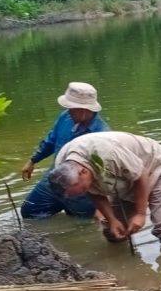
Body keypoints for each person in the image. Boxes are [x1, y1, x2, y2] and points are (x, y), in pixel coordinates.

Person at [48, 132, 161, 247]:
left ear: (83, 172)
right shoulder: (63, 164)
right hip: (123, 179)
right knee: (114, 234)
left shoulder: (107, 153)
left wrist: (140, 214)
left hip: (153, 164)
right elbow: (94, 193)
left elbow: (141, 175)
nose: (84, 192)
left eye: (83, 189)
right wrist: (112, 220)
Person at [20, 82, 109, 219]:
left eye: (71, 108)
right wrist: (33, 160)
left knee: (83, 226)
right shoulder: (65, 117)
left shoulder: (103, 136)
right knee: (29, 211)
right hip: (54, 179)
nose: (68, 111)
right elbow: (51, 140)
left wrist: (102, 207)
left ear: (83, 110)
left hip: (81, 191)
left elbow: (105, 176)